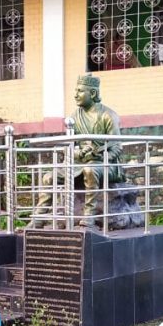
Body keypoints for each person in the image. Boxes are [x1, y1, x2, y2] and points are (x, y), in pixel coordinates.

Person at [33, 74, 124, 229]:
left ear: (93, 94)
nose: (75, 95)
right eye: (75, 90)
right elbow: (68, 146)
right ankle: (39, 217)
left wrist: (99, 155)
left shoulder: (108, 115)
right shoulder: (75, 116)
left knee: (90, 170)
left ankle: (89, 214)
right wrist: (79, 153)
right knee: (49, 177)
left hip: (105, 165)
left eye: (80, 91)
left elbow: (117, 147)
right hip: (78, 163)